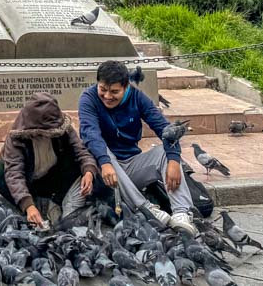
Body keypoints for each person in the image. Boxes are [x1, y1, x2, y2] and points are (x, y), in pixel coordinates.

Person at [78, 60, 198, 235]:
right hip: (105, 171)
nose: (107, 96)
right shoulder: (88, 98)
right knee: (100, 150)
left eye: (114, 92)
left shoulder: (138, 97)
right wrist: (104, 162)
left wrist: (173, 159)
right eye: (103, 89)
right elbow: (90, 134)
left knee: (165, 152)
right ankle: (145, 208)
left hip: (131, 165)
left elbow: (164, 128)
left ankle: (181, 213)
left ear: (126, 87)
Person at [0, 92, 97, 227]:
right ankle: (34, 207)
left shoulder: (62, 127)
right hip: (30, 181)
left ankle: (55, 202)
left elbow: (81, 151)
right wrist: (28, 205)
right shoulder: (17, 137)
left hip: (53, 178)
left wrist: (89, 172)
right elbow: (14, 174)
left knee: (86, 161)